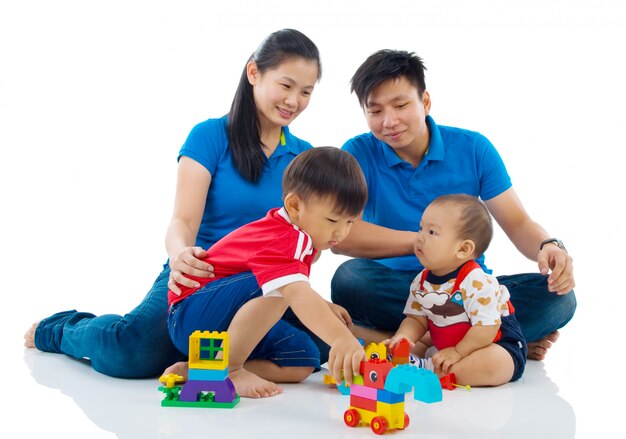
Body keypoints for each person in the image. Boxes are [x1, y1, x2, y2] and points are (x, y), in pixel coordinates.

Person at [24, 29, 322, 378]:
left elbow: (308, 239)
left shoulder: (304, 157)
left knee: (322, 349)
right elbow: (183, 219)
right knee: (132, 353)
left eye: (306, 92)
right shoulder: (210, 136)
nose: (294, 101)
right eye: (286, 86)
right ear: (254, 73)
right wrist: (180, 253)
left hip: (265, 287)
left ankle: (209, 365)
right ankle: (61, 330)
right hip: (202, 275)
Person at [331, 49, 576, 361]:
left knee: (559, 297)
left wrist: (548, 246)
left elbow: (517, 223)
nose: (388, 121)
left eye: (401, 105)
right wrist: (425, 245)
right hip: (398, 290)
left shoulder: (473, 148)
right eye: (374, 111)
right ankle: (497, 338)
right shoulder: (357, 153)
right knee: (350, 279)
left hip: (468, 291)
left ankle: (407, 341)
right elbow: (341, 236)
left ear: (426, 102)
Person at [167, 147, 367, 398]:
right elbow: (293, 290)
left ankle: (203, 369)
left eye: (350, 222)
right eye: (332, 221)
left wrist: (322, 306)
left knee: (304, 361)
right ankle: (230, 369)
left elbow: (294, 288)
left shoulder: (299, 238)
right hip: (192, 314)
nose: (341, 233)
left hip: (223, 323)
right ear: (295, 206)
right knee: (282, 289)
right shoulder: (285, 237)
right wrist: (341, 339)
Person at [385, 194, 526, 386]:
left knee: (494, 363)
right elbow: (416, 319)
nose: (420, 237)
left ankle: (432, 372)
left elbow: (487, 328)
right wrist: (403, 337)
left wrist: (459, 352)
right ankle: (424, 363)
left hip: (493, 342)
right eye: (421, 228)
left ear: (463, 249)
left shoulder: (475, 281)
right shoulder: (421, 281)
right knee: (413, 346)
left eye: (432, 232)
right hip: (447, 345)